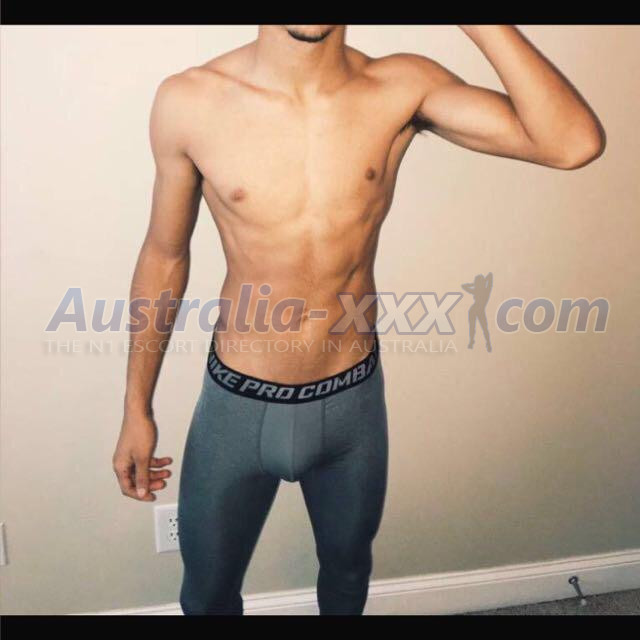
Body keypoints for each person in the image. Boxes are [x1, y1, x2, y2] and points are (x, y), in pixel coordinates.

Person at [112, 25, 605, 615]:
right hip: (236, 407)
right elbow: (164, 257)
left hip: (351, 405)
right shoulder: (190, 101)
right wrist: (136, 407)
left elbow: (571, 143)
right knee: (208, 593)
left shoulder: (401, 87)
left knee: (348, 574)